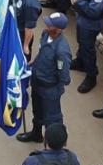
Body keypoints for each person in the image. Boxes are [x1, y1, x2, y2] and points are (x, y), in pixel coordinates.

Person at [20, 13, 72, 144]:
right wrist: (33, 62)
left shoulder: (61, 50)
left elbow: (64, 77)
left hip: (50, 90)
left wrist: (52, 81)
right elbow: (41, 52)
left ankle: (52, 146)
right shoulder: (45, 35)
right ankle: (36, 134)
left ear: (58, 30)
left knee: (52, 119)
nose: (46, 26)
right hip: (37, 82)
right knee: (37, 111)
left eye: (50, 25)